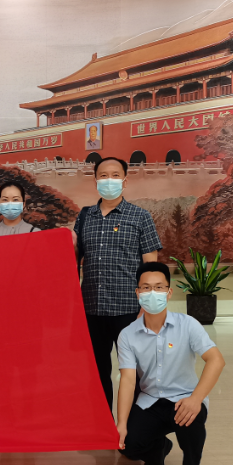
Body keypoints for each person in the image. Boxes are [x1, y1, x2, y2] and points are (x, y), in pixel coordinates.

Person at [115, 262, 225, 465]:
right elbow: (128, 380)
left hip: (184, 398)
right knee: (129, 446)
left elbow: (216, 360)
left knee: (192, 422)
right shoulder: (127, 335)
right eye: (146, 288)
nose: (152, 293)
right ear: (137, 292)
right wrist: (121, 423)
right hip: (151, 400)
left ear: (169, 292)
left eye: (159, 287)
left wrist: (196, 399)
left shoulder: (188, 324)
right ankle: (160, 448)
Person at [74, 156, 162, 411]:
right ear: (95, 181)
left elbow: (151, 267)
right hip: (92, 308)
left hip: (129, 309)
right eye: (103, 175)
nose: (109, 180)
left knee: (133, 371)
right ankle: (103, 423)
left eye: (115, 175)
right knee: (97, 371)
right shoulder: (85, 217)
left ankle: (134, 425)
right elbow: (72, 258)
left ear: (125, 180)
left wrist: (148, 306)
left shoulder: (140, 217)